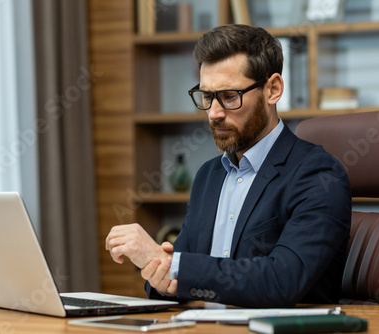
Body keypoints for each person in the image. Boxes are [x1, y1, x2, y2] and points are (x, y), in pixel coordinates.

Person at [106, 24, 351, 308]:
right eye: (207, 96)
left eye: (230, 97)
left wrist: (173, 266)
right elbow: (174, 278)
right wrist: (158, 267)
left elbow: (282, 280)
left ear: (273, 89)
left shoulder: (318, 175)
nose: (214, 114)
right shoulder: (209, 175)